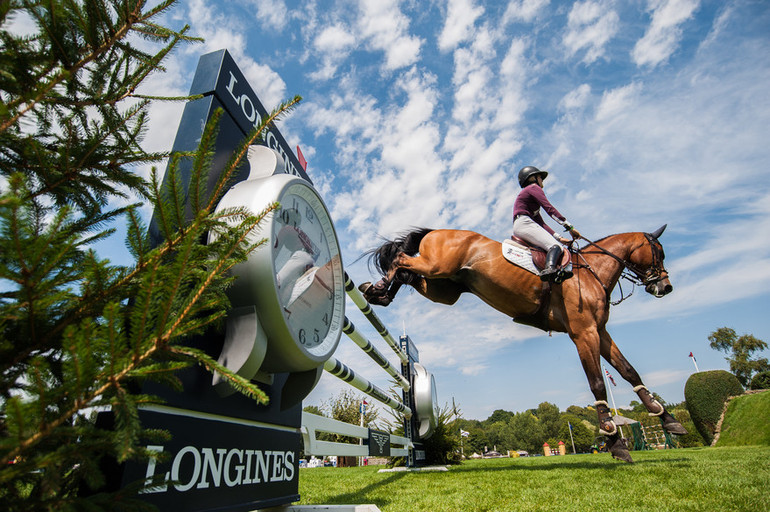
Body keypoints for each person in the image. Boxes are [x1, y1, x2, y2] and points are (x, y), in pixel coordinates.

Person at [513, 166, 581, 282]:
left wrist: (559, 238)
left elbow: (541, 224)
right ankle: (550, 270)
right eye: (540, 177)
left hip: (522, 223)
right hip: (524, 223)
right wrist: (569, 227)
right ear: (532, 178)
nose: (542, 180)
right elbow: (550, 209)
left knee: (556, 244)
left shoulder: (529, 196)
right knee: (556, 247)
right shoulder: (534, 188)